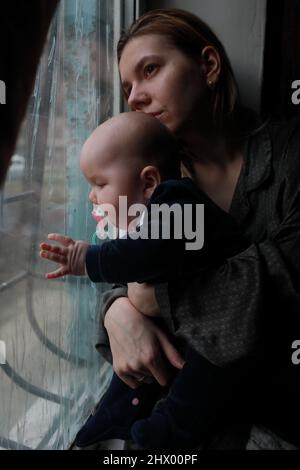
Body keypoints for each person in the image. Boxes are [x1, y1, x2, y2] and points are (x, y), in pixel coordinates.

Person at [94, 8, 300, 450]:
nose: (134, 98)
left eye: (149, 70)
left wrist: (157, 296)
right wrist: (117, 310)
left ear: (208, 65)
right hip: (179, 426)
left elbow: (286, 282)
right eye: (127, 87)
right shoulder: (146, 179)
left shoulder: (291, 154)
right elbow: (117, 262)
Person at [40, 111, 248, 449]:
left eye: (100, 184)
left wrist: (86, 258)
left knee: (202, 382)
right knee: (142, 358)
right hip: (193, 324)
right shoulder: (154, 216)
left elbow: (142, 254)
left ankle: (165, 435)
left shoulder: (177, 199)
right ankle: (118, 410)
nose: (92, 196)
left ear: (148, 182)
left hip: (229, 330)